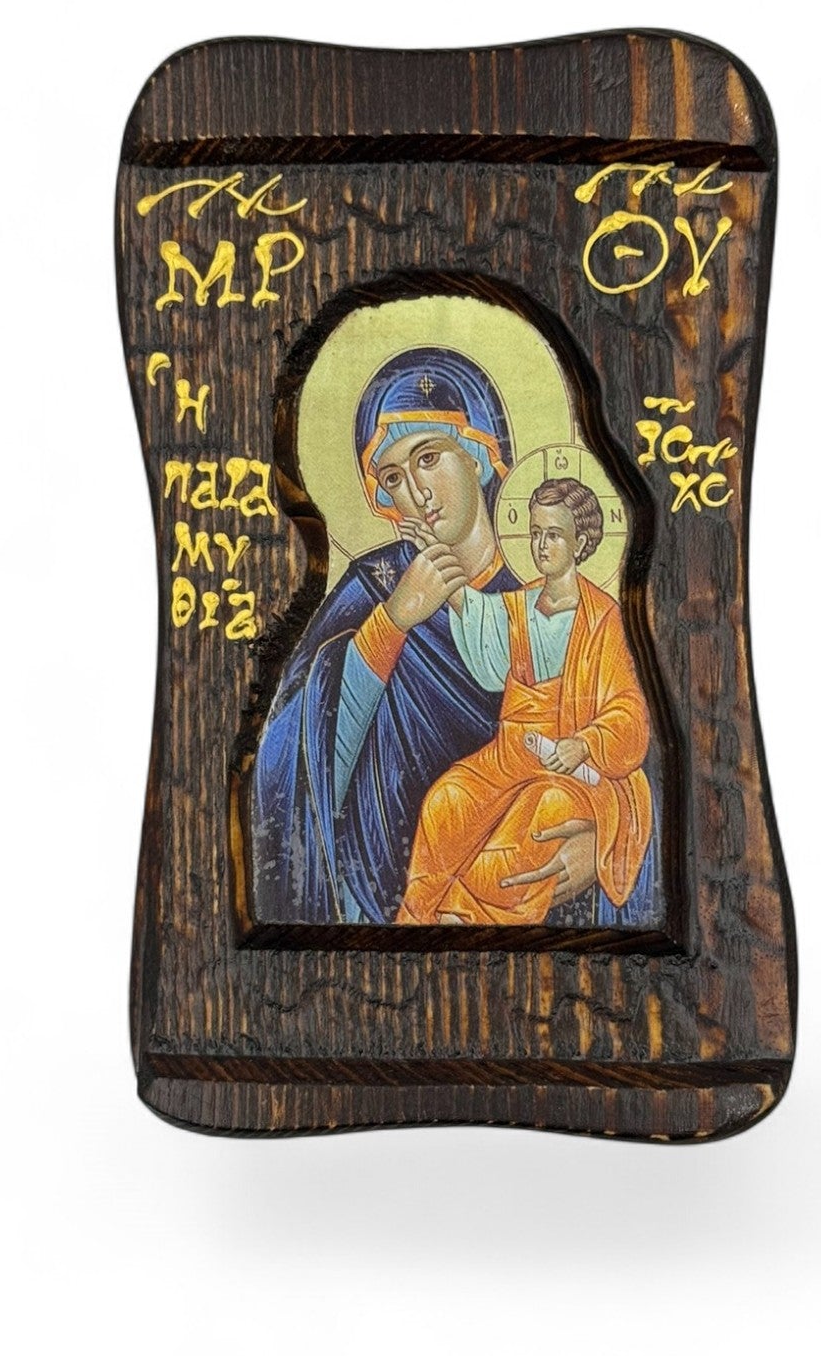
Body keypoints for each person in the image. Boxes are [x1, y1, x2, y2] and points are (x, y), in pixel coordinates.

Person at [253, 346, 637, 924]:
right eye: (393, 478)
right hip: (378, 898)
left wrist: (603, 837)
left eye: (429, 458)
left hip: (533, 870)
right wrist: (393, 622)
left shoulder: (553, 595)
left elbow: (622, 726)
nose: (417, 493)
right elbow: (292, 761)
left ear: (480, 455)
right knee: (448, 805)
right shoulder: (377, 587)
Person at [396, 479, 653, 925]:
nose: (541, 545)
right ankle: (418, 917)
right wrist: (436, 553)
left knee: (541, 810)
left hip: (572, 771)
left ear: (581, 543)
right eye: (535, 533)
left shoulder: (603, 620)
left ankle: (469, 916)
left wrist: (585, 743)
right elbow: (476, 615)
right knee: (447, 798)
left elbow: (628, 711)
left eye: (554, 535)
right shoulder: (518, 607)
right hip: (508, 759)